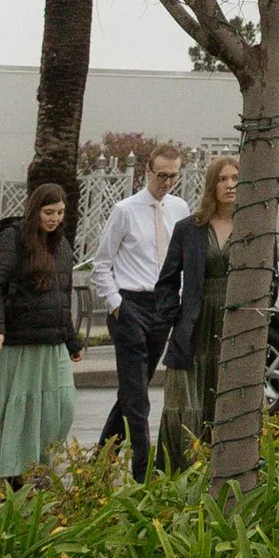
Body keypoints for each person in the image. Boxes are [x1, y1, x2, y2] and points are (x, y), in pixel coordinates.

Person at [0, 173, 81, 486]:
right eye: (48, 213)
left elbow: (63, 296)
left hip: (52, 340)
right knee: (19, 410)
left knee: (62, 406)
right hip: (17, 340)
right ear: (35, 210)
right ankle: (13, 474)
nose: (54, 219)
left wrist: (72, 342)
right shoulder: (13, 238)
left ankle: (39, 464)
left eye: (60, 213)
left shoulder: (62, 245)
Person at [91, 142, 189, 476]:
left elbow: (182, 260)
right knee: (137, 398)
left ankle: (98, 466)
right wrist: (117, 304)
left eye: (172, 176)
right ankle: (143, 469)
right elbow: (101, 265)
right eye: (161, 175)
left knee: (133, 394)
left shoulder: (179, 209)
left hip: (161, 306)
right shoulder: (125, 210)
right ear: (147, 171)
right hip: (130, 304)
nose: (166, 182)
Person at [154, 153, 240, 467]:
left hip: (235, 327)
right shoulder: (189, 228)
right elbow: (165, 282)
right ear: (211, 185)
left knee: (226, 401)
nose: (230, 185)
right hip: (194, 324)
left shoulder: (255, 228)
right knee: (185, 403)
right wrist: (174, 316)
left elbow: (271, 279)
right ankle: (182, 476)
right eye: (222, 179)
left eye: (235, 178)